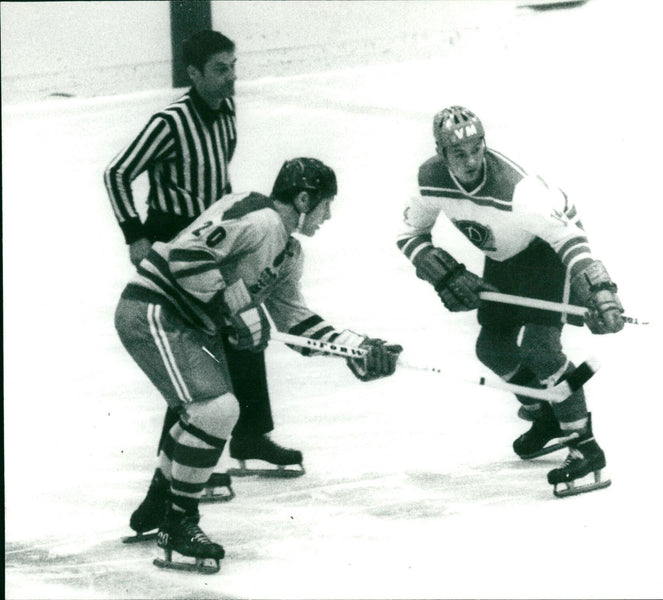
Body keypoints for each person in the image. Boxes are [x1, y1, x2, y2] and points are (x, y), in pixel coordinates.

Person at [114, 157, 403, 572]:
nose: (328, 215)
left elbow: (297, 323)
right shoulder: (259, 217)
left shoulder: (289, 251)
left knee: (206, 410)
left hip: (180, 321)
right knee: (216, 408)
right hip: (152, 309)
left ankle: (164, 497)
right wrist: (230, 306)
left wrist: (357, 348)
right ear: (304, 199)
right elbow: (185, 254)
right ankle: (178, 521)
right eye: (325, 204)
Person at [104, 31, 301, 541]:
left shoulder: (227, 111)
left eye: (233, 65)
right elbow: (118, 173)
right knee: (194, 366)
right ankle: (165, 488)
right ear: (192, 75)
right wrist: (137, 236)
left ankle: (252, 434)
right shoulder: (171, 121)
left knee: (245, 328)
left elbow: (219, 180)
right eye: (219, 68)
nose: (231, 76)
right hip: (179, 245)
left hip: (217, 238)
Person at [396, 106, 624, 497]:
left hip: (545, 253)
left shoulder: (519, 191)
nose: (470, 161)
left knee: (540, 350)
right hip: (504, 258)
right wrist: (446, 273)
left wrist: (598, 289)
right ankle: (546, 416)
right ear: (441, 153)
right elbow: (409, 234)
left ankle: (585, 445)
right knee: (492, 348)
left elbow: (569, 240)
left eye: (476, 148)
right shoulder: (430, 179)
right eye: (458, 153)